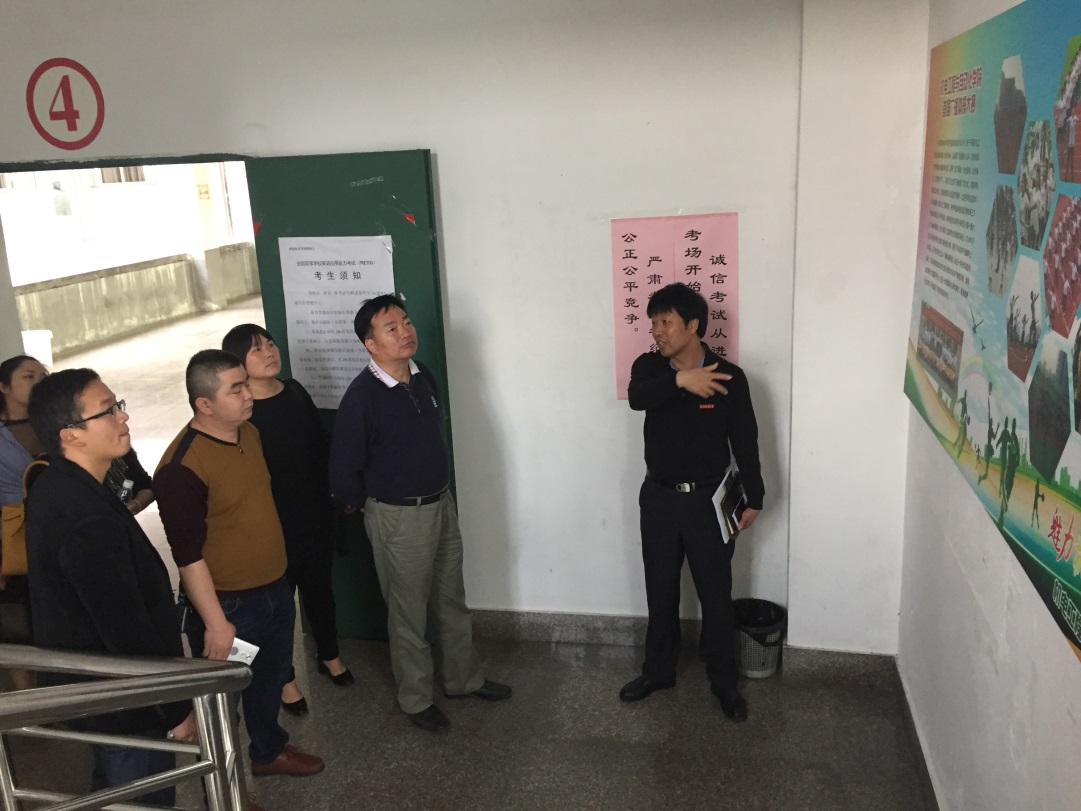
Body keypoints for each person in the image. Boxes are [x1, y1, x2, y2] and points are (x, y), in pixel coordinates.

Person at [329, 295, 511, 732]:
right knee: (408, 611)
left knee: (451, 599)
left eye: (406, 322)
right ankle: (415, 698)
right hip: (398, 518)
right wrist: (376, 507)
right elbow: (343, 470)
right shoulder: (361, 397)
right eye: (391, 328)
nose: (405, 331)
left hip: (441, 504)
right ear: (371, 344)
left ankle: (463, 680)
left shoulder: (421, 374)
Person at [25, 369, 194, 806]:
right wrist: (174, 708)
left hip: (101, 696)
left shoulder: (59, 484)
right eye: (107, 411)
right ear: (71, 435)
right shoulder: (85, 516)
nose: (123, 417)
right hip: (125, 705)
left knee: (114, 789)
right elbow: (124, 628)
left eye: (118, 405)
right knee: (141, 795)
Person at [154, 350, 323, 778]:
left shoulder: (249, 432)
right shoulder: (181, 468)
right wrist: (216, 623)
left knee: (270, 680)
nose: (249, 394)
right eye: (236, 389)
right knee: (221, 704)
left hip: (275, 588)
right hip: (228, 607)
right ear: (204, 404)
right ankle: (224, 787)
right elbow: (187, 556)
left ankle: (268, 751)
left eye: (246, 384)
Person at [619, 283, 764, 722]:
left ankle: (724, 681)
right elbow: (638, 398)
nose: (657, 331)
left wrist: (754, 496)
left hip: (709, 503)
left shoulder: (730, 377)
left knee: (716, 597)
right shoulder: (649, 367)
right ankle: (658, 671)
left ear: (693, 325)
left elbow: (746, 440)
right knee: (660, 591)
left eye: (666, 322)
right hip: (659, 500)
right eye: (653, 322)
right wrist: (682, 380)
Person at [222, 324, 353, 718]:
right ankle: (284, 677)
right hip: (270, 522)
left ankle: (329, 655)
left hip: (313, 512)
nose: (269, 352)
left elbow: (320, 445)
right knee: (278, 606)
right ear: (238, 363)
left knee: (320, 588)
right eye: (256, 349)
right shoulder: (242, 413)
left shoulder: (295, 391)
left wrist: (338, 492)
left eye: (270, 344)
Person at [0, 355, 48, 688]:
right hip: (11, 538)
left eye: (43, 375)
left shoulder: (53, 423)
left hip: (54, 531)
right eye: (29, 376)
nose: (39, 382)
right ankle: (31, 702)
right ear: (3, 387)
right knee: (18, 625)